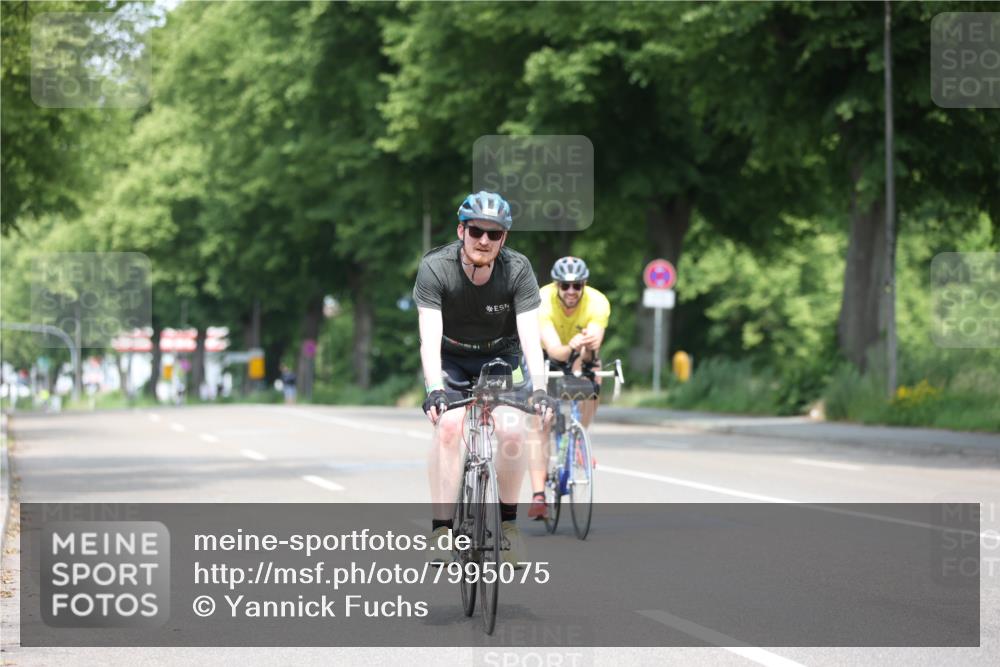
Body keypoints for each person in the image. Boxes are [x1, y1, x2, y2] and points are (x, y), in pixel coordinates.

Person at [414, 191, 552, 567]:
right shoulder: (435, 268)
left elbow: (530, 338)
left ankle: (508, 527)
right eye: (476, 231)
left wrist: (539, 389)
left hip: (499, 356)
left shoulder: (519, 270)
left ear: (504, 239)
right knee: (449, 427)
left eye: (494, 234)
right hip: (450, 357)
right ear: (462, 231)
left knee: (510, 429)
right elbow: (428, 337)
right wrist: (434, 391)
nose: (484, 241)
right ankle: (442, 529)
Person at [528, 256, 610, 520]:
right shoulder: (543, 301)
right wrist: (573, 346)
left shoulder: (598, 303)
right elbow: (555, 351)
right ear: (557, 285)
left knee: (594, 373)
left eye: (578, 285)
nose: (572, 291)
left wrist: (588, 347)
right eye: (565, 286)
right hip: (545, 353)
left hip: (578, 352)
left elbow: (588, 356)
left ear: (584, 285)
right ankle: (539, 495)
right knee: (541, 420)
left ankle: (579, 437)